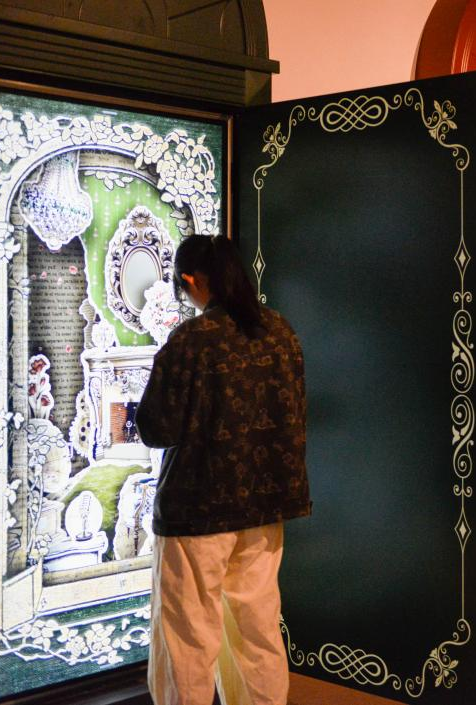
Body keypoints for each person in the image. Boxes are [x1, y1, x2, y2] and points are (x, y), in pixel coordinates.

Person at [136, 234, 309, 705]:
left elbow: (156, 427)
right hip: (265, 507)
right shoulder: (280, 331)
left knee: (188, 639)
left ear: (192, 280)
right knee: (258, 633)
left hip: (197, 510)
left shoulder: (191, 340)